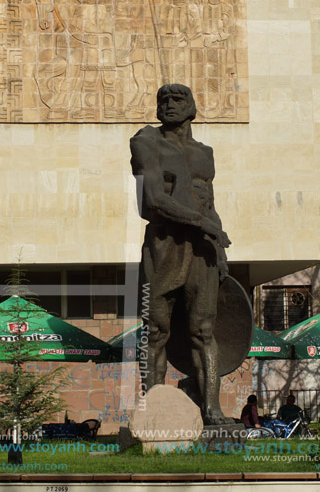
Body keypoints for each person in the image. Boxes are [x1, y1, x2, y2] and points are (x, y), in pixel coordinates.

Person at [130, 83, 232, 425]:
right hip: (165, 244)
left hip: (202, 248)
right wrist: (203, 223)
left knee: (203, 330)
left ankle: (212, 411)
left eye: (178, 99)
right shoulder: (146, 142)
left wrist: (218, 248)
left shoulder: (206, 153)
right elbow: (154, 200)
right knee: (156, 330)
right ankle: (152, 412)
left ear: (193, 108)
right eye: (164, 100)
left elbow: (210, 202)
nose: (170, 105)